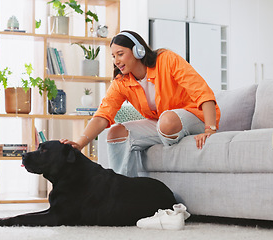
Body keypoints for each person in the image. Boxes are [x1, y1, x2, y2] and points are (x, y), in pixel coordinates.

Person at [61, 30, 220, 177]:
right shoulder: (122, 82)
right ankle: (124, 189)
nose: (116, 61)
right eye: (113, 56)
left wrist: (210, 129)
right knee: (115, 133)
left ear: (138, 50)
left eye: (120, 54)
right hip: (162, 126)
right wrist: (80, 144)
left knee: (167, 120)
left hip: (196, 117)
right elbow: (103, 114)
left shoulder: (166, 60)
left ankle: (175, 133)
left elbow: (201, 91)